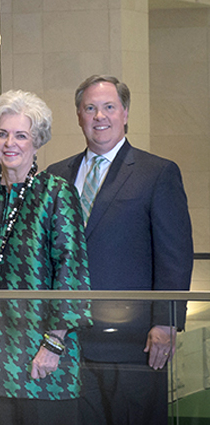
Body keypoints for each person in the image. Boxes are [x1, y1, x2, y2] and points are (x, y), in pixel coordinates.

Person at [47, 75, 193, 425]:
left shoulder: (156, 172)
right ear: (79, 115)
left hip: (134, 341)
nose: (100, 116)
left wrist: (166, 322)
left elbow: (174, 254)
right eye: (90, 108)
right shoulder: (56, 175)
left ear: (125, 113)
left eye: (109, 107)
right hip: (72, 341)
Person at [0, 90, 91, 425]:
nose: (9, 143)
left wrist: (54, 345)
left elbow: (72, 273)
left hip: (42, 363)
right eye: (2, 134)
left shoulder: (56, 193)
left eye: (21, 135)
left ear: (37, 141)